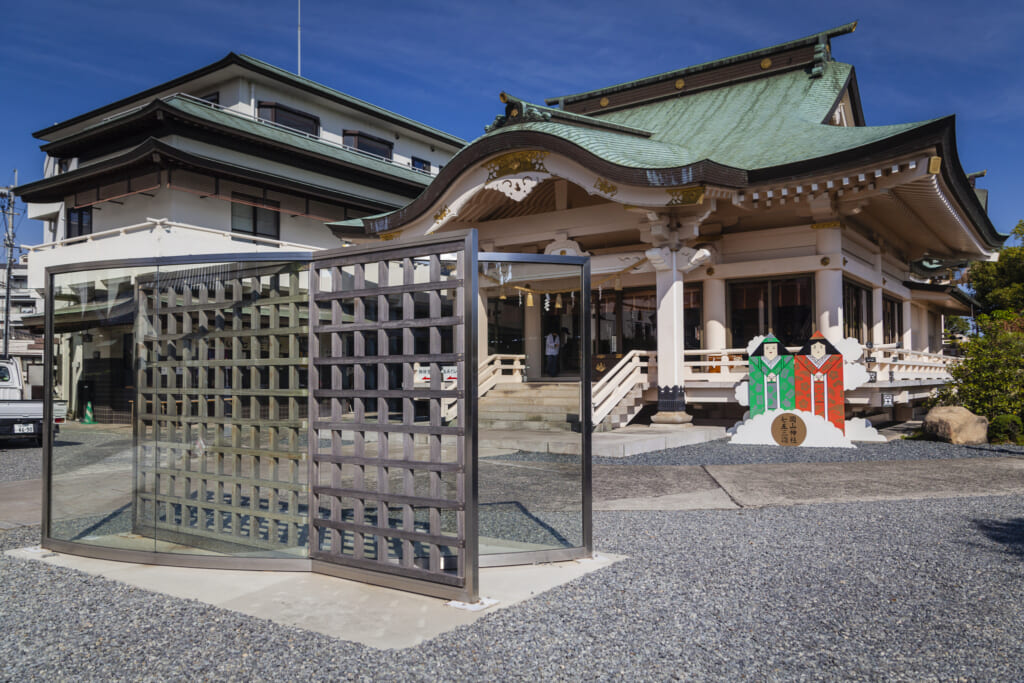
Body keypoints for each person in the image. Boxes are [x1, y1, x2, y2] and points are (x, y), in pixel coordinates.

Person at [794, 331, 845, 433]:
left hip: (828, 393)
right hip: (809, 392)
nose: (817, 350)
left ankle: (831, 430)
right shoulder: (804, 360)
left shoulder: (832, 359)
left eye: (821, 347)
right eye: (814, 347)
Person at [747, 334, 795, 416]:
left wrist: (774, 372)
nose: (770, 350)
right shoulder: (757, 361)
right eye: (767, 348)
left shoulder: (784, 360)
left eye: (773, 348)